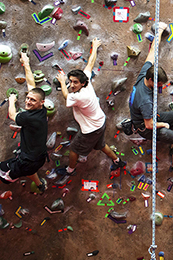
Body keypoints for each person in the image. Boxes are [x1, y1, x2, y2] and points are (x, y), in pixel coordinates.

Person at [57, 38, 124, 175]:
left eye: (75, 82)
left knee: (74, 150)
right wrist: (94, 46)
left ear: (82, 83)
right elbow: (90, 65)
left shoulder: (79, 96)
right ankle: (118, 161)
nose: (72, 85)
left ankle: (70, 170)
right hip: (100, 122)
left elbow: (66, 96)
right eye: (70, 82)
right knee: (101, 145)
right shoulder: (86, 81)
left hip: (91, 129)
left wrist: (62, 82)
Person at [129, 22, 173, 172]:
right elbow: (149, 125)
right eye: (159, 84)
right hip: (145, 127)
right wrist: (163, 125)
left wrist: (159, 32)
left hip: (150, 116)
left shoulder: (144, 74)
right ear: (151, 80)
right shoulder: (146, 101)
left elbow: (151, 56)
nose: (161, 87)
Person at [0, 51, 48, 193]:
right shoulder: (41, 110)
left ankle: (10, 178)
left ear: (41, 102)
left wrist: (12, 100)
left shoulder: (28, 117)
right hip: (38, 158)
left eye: (32, 100)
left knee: (4, 171)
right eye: (28, 98)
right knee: (29, 169)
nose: (28, 101)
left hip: (27, 161)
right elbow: (31, 84)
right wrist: (26, 62)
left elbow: (12, 114)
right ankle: (40, 185)